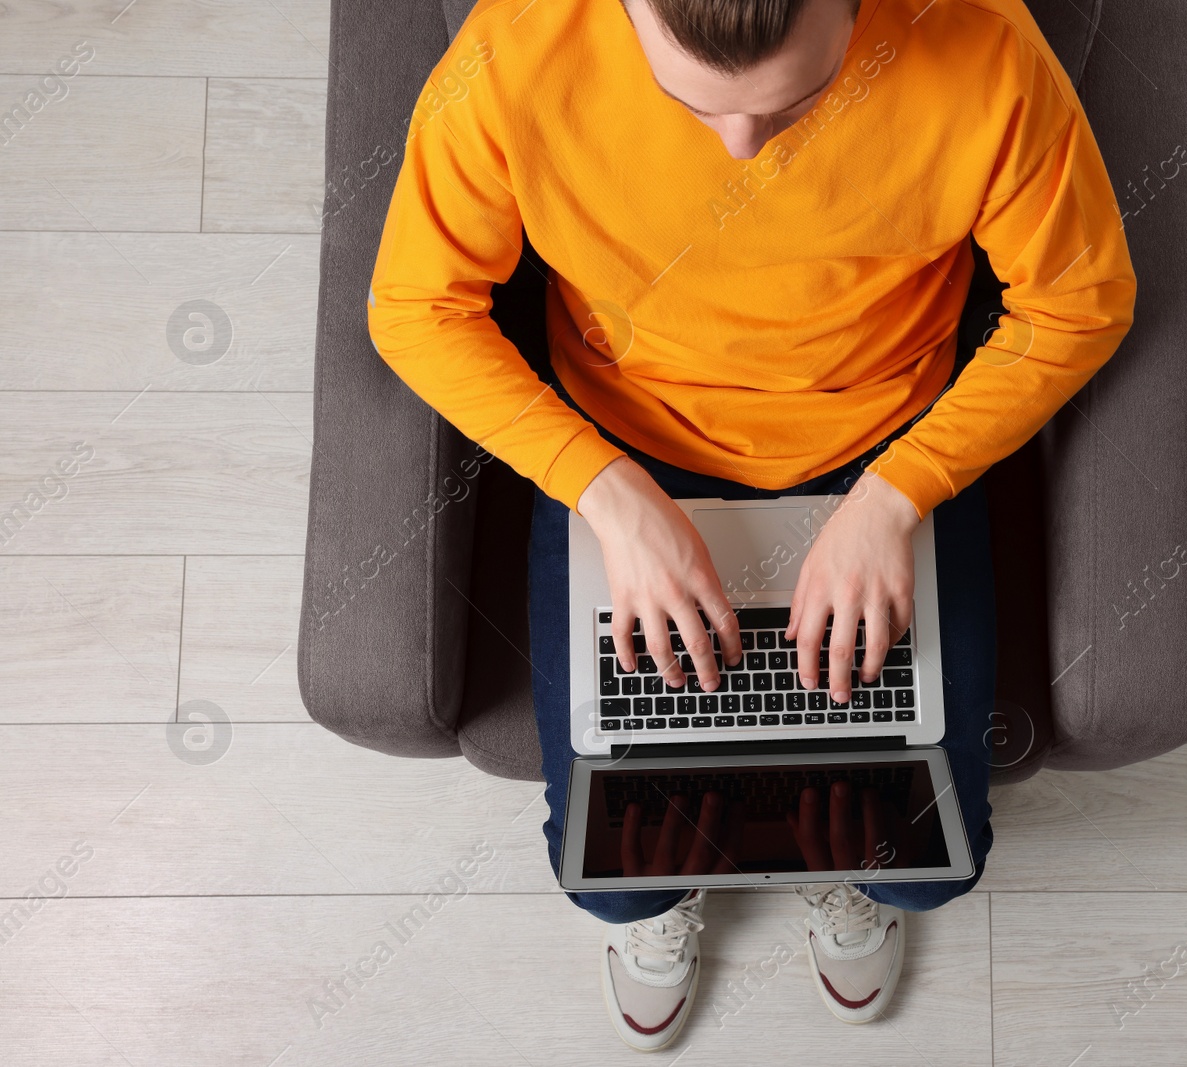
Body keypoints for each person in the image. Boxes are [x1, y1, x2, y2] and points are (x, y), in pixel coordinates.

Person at [367, 0, 1135, 1051]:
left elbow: (1080, 301)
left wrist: (896, 495)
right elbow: (417, 306)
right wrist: (608, 492)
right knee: (618, 882)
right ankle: (677, 895)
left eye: (800, 98)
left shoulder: (985, 48)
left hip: (883, 442)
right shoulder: (514, 48)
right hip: (623, 454)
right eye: (692, 101)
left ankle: (841, 881)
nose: (742, 148)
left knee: (919, 867)